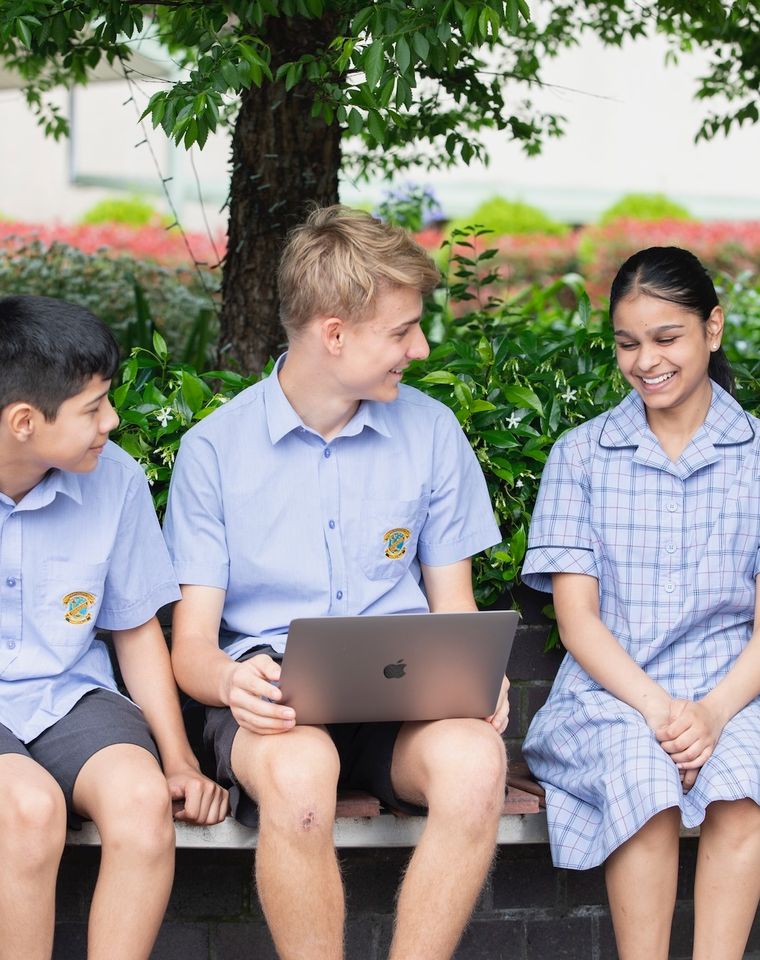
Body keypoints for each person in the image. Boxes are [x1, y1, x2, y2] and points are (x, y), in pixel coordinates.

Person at [164, 205, 510, 960]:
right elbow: (190, 651)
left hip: (405, 703)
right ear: (334, 333)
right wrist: (231, 681)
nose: (417, 348)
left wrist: (482, 679)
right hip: (276, 711)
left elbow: (456, 610)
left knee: (478, 766)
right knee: (299, 776)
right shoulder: (213, 452)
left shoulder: (431, 434)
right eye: (401, 331)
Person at [522, 246, 760, 959]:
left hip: (736, 689)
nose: (645, 360)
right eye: (628, 343)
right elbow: (578, 621)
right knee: (643, 775)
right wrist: (661, 712)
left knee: (746, 784)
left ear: (711, 329)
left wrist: (713, 713)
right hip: (611, 694)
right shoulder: (582, 455)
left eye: (666, 338)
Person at [0, 295, 228, 960]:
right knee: (27, 810)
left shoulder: (116, 480)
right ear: (22, 421)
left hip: (71, 695)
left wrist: (180, 761)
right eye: (93, 408)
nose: (113, 421)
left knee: (142, 801)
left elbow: (134, 631)